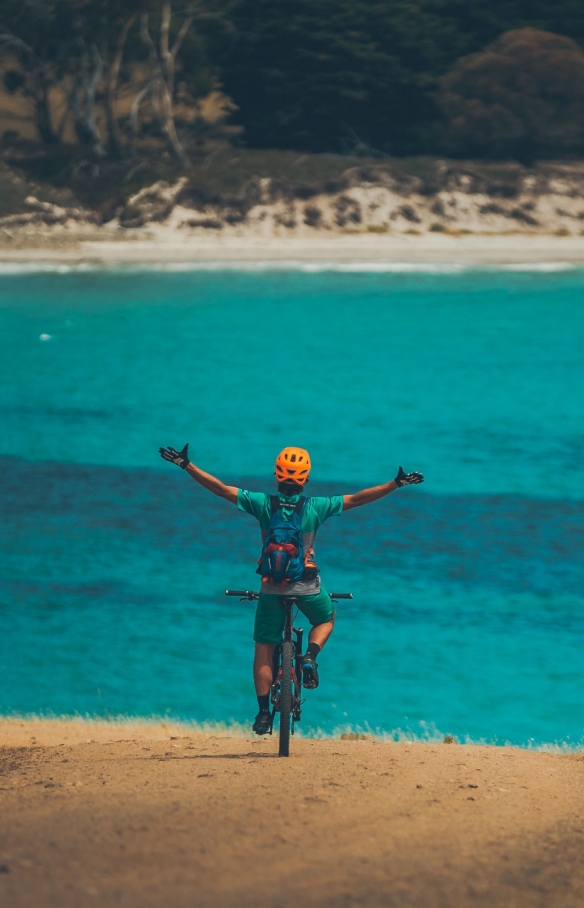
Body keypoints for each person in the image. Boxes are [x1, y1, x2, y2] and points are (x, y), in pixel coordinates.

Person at [159, 443, 424, 734]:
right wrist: (396, 483)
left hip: (272, 588)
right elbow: (358, 499)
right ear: (305, 479)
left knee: (264, 647)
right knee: (325, 618)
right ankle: (310, 656)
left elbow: (221, 489)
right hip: (307, 585)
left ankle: (262, 714)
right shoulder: (316, 507)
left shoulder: (262, 503)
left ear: (276, 475)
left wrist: (187, 465)